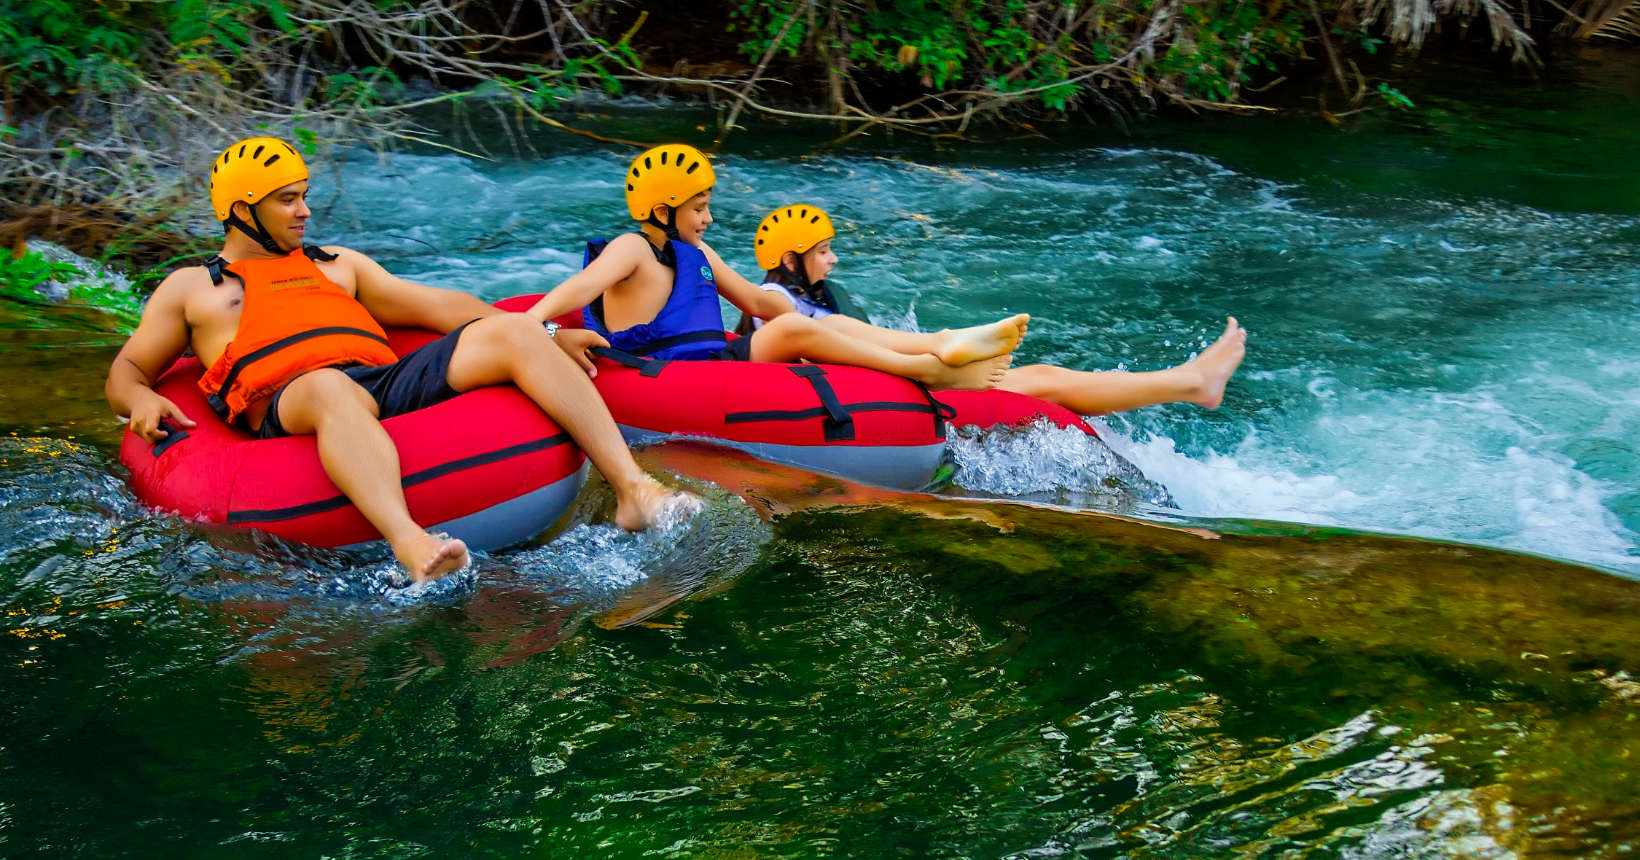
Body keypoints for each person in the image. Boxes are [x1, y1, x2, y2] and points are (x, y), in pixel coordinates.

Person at [106, 137, 686, 582]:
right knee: (332, 387)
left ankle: (634, 489)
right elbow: (127, 370)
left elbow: (441, 305)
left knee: (511, 330)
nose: (305, 210)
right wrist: (141, 397)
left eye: (305, 195)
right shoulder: (193, 289)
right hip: (292, 399)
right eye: (288, 200)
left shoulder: (338, 264)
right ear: (241, 210)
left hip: (380, 380)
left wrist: (549, 332)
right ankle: (411, 542)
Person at [523, 144, 1029, 391]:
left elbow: (758, 301)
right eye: (699, 208)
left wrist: (805, 315)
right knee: (794, 328)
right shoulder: (632, 249)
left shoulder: (697, 254)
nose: (709, 217)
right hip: (662, 376)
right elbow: (580, 287)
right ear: (663, 211)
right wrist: (538, 325)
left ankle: (939, 342)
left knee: (815, 321)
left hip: (707, 368)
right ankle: (925, 371)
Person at [739, 203, 1247, 415]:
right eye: (822, 250)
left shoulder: (819, 302)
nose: (833, 258)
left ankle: (1190, 382)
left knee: (1045, 375)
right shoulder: (780, 306)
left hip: (885, 387)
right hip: (873, 397)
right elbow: (785, 336)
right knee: (1041, 378)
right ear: (790, 259)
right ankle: (943, 354)